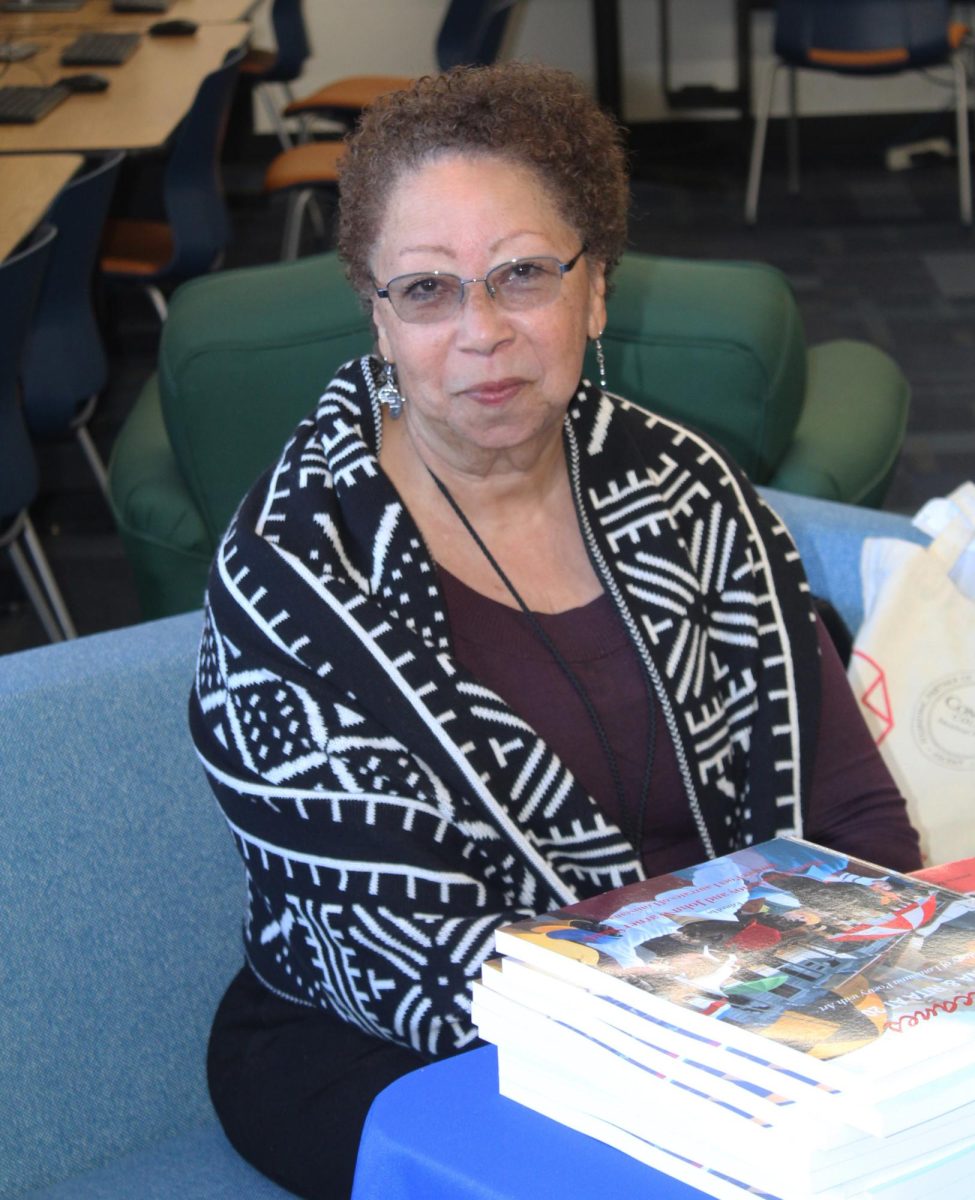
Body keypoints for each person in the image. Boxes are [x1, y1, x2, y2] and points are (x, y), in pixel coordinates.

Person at [189, 61, 921, 1199]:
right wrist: (728, 1048)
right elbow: (414, 959)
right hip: (404, 1041)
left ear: (596, 293)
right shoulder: (298, 577)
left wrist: (884, 1006)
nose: (481, 330)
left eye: (523, 274)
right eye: (427, 290)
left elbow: (850, 811)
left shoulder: (686, 490)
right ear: (376, 316)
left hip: (749, 1009)